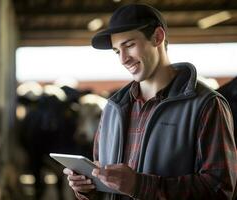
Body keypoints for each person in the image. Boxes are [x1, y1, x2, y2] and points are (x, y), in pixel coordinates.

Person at [63, 3, 237, 200]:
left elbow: (219, 189)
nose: (123, 59)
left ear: (158, 37)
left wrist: (139, 185)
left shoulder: (207, 105)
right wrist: (88, 188)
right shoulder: (112, 109)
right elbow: (107, 185)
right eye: (116, 51)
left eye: (129, 45)